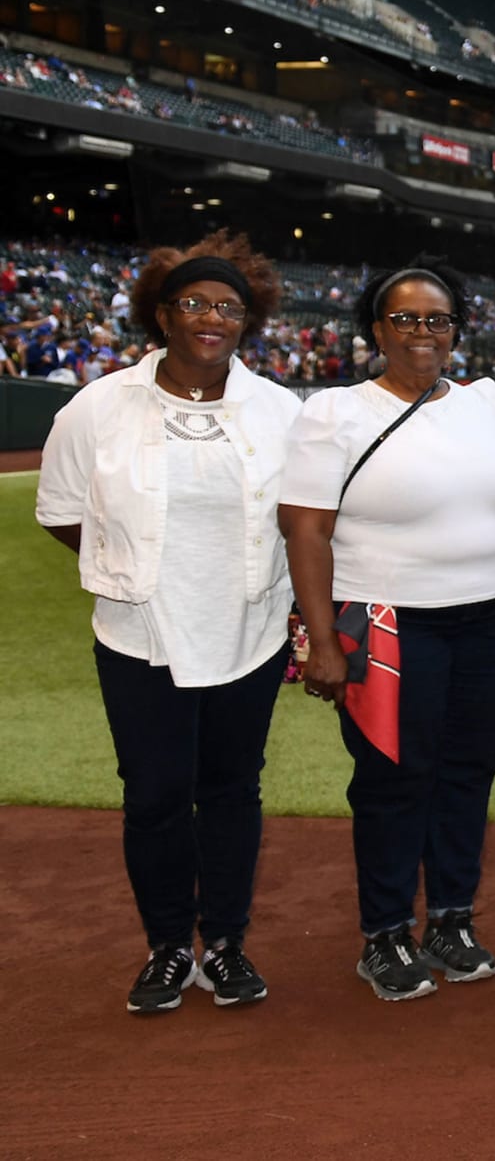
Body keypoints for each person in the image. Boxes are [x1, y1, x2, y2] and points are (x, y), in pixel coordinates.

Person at [34, 231, 299, 1014]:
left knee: (231, 789)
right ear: (162, 313)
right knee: (152, 793)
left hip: (247, 631)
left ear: (247, 321)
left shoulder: (280, 410)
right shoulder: (98, 406)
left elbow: (307, 521)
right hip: (138, 633)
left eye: (228, 306)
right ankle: (165, 947)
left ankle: (224, 943)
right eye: (195, 303)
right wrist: (131, 568)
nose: (212, 318)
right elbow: (60, 513)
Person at [280, 257, 495, 1001]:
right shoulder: (334, 413)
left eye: (438, 319)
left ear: (457, 330)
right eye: (405, 318)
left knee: (468, 772)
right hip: (387, 623)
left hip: (491, 617)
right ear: (376, 329)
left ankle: (452, 919)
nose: (423, 332)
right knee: (395, 780)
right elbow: (305, 532)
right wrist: (323, 637)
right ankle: (385, 932)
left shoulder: (488, 403)